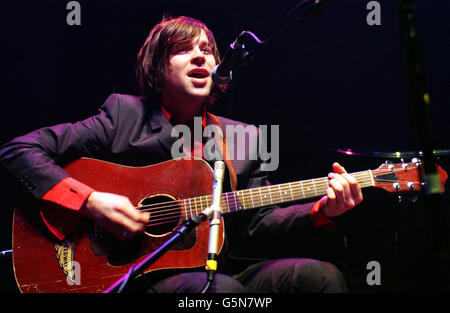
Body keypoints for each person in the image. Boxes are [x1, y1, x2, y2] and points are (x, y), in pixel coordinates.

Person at [0, 15, 363, 293]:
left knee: (321, 277)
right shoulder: (123, 116)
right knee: (221, 292)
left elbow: (257, 223)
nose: (200, 57)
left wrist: (322, 211)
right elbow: (18, 151)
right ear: (159, 65)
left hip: (221, 272)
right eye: (184, 49)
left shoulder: (242, 138)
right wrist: (91, 202)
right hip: (138, 277)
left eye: (207, 50)